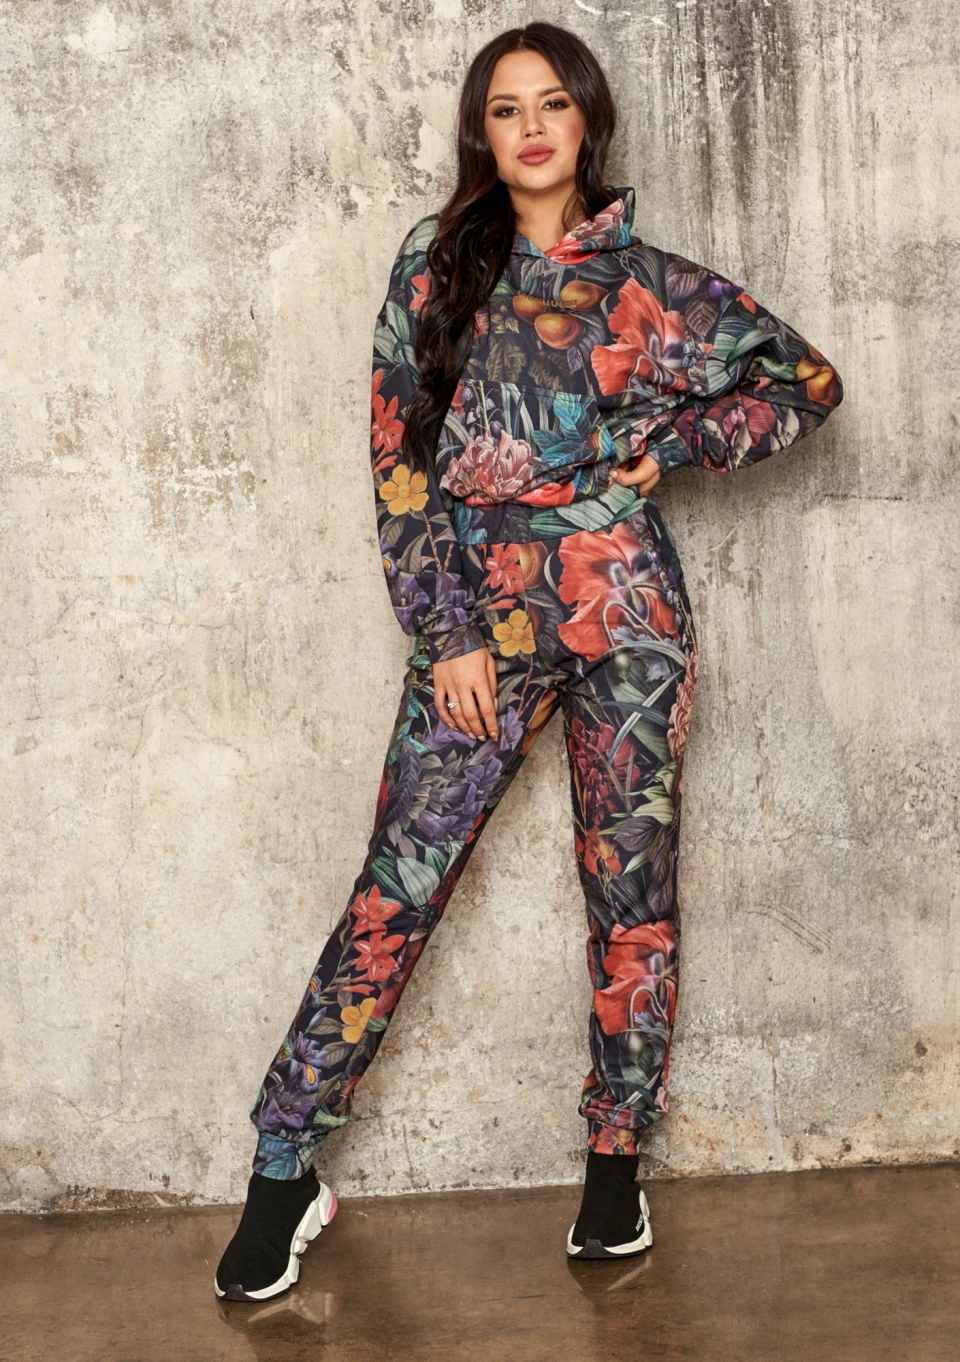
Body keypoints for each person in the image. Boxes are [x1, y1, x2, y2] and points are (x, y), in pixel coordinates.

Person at [215, 21, 842, 1300]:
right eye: (507, 110)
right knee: (399, 889)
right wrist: (445, 630)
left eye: (554, 103)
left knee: (630, 896)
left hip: (630, 621)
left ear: (587, 119)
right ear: (483, 136)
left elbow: (807, 384)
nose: (534, 127)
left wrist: (675, 447)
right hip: (483, 629)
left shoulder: (651, 286)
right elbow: (399, 461)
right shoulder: (438, 265)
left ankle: (615, 1167)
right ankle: (285, 1167)